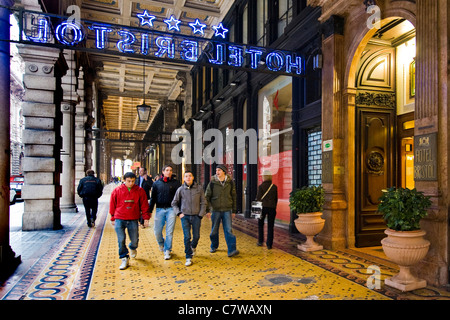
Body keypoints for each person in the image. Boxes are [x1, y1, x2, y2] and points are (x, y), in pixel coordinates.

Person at [109, 172, 151, 270]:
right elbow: (112, 204)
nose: (131, 183)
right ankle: (124, 258)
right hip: (119, 218)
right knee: (121, 239)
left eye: (133, 181)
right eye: (128, 181)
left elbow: (144, 205)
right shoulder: (117, 190)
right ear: (124, 180)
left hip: (133, 218)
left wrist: (146, 218)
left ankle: (132, 247)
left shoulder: (140, 191)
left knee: (135, 240)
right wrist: (112, 217)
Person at [171, 171, 206, 266]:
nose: (188, 178)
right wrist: (179, 213)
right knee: (187, 237)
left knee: (196, 236)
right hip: (185, 216)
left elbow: (203, 202)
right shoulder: (180, 190)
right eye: (186, 176)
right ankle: (188, 257)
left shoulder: (199, 189)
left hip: (196, 216)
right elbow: (174, 203)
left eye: (190, 176)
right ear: (184, 178)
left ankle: (193, 246)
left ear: (193, 177)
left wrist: (200, 215)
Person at [205, 164, 239, 257]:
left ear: (224, 171)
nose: (217, 172)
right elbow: (207, 196)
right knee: (214, 230)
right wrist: (207, 210)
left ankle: (232, 250)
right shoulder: (212, 182)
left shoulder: (230, 182)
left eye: (219, 170)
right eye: (216, 170)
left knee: (228, 230)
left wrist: (234, 210)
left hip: (227, 210)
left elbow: (234, 196)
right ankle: (214, 245)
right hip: (215, 210)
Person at [149, 164, 181, 260]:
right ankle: (161, 244)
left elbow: (180, 197)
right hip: (159, 209)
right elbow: (153, 198)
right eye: (167, 170)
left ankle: (167, 250)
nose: (169, 172)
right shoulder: (156, 184)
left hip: (171, 209)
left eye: (170, 170)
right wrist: (149, 211)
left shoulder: (176, 183)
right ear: (163, 172)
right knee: (157, 231)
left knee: (169, 231)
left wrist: (179, 210)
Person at [255, 172, 278, 249]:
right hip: (272, 208)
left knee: (260, 225)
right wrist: (274, 207)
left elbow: (258, 198)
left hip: (262, 208)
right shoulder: (274, 187)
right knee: (271, 226)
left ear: (264, 177)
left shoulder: (261, 186)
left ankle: (260, 241)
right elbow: (276, 199)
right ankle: (269, 244)